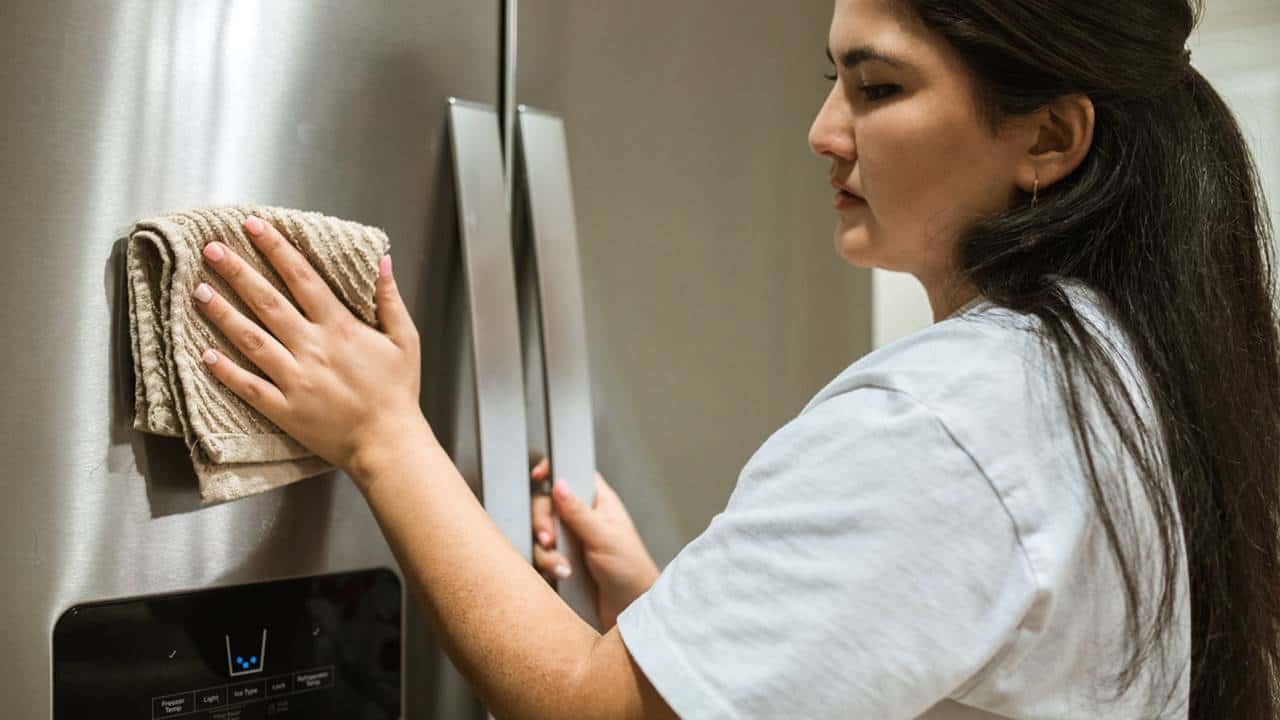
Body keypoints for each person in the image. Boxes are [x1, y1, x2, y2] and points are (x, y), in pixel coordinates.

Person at [187, 0, 1279, 717]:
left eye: (877, 87)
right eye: (831, 78)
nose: (821, 128)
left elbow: (587, 712)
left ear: (1048, 139)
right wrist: (673, 616)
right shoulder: (1115, 370)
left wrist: (384, 435)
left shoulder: (949, 418)